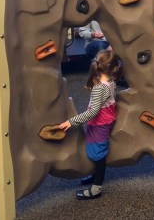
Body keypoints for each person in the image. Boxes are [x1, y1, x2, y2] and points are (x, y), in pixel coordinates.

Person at [59, 49, 123, 200]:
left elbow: (93, 112)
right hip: (104, 119)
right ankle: (95, 175)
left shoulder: (100, 87)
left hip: (100, 123)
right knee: (95, 150)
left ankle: (96, 188)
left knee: (97, 154)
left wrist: (71, 121)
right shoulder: (111, 81)